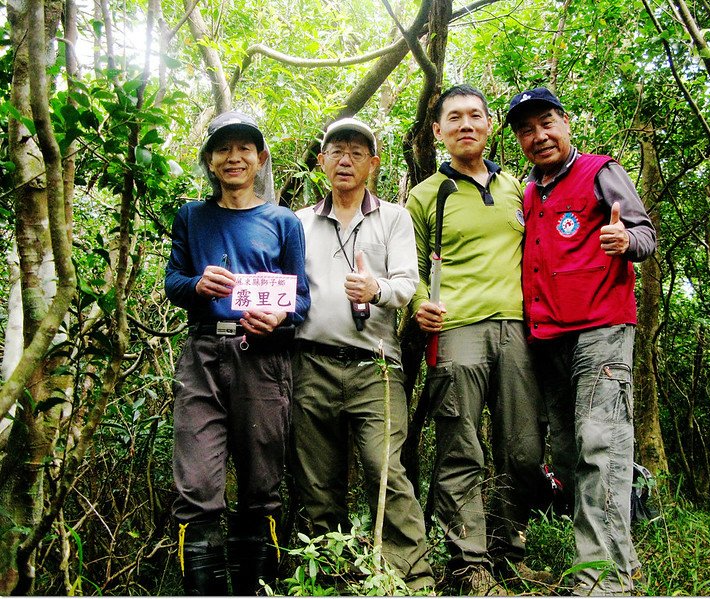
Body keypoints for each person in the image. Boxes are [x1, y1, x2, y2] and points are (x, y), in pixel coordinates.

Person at [506, 87, 657, 595]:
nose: (539, 136)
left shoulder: (599, 171)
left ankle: (601, 583)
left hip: (601, 329)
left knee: (600, 447)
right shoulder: (528, 192)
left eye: (546, 123)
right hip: (548, 339)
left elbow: (644, 233)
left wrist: (625, 240)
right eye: (526, 130)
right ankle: (623, 562)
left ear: (565, 123)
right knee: (570, 454)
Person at [405, 84, 546, 595]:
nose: (466, 125)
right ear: (438, 131)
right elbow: (410, 267)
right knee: (461, 450)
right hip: (457, 331)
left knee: (525, 451)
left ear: (489, 126)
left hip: (520, 330)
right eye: (454, 118)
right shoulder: (424, 196)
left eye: (475, 116)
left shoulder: (519, 189)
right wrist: (422, 302)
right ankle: (470, 565)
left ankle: (512, 553)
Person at [165, 110, 310, 595]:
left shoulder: (283, 221)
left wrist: (279, 319)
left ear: (260, 159)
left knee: (260, 488)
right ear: (209, 161)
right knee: (197, 489)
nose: (234, 158)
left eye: (244, 148)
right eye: (223, 149)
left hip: (263, 358)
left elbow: (301, 298)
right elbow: (173, 283)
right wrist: (197, 284)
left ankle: (256, 589)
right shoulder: (191, 216)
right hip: (204, 351)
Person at [291, 117, 435, 592]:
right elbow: (286, 288)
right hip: (311, 363)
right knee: (318, 481)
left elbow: (406, 284)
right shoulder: (299, 223)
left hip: (375, 366)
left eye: (357, 152)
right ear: (322, 162)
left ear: (373, 163)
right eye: (336, 151)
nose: (345, 159)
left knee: (384, 470)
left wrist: (376, 289)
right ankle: (325, 576)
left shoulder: (392, 217)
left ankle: (412, 577)